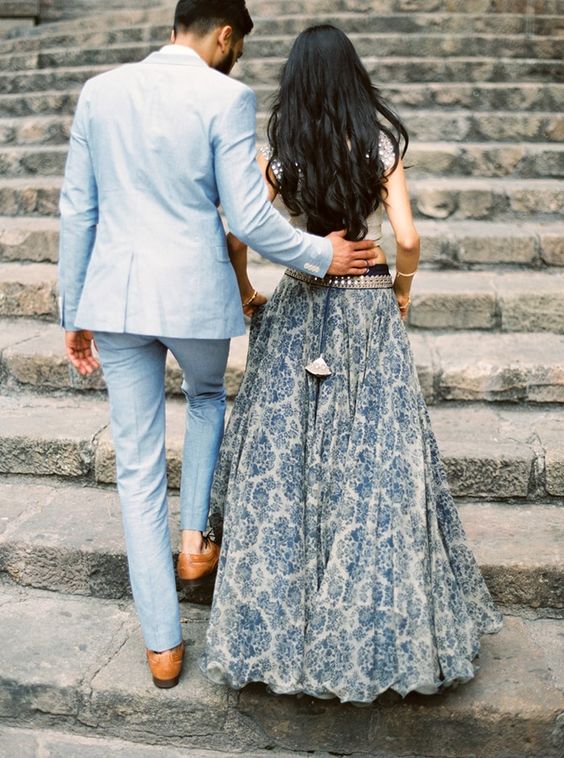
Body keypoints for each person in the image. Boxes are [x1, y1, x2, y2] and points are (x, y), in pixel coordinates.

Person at [58, 2, 379, 690]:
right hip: (194, 299)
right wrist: (322, 254)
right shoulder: (226, 97)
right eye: (239, 47)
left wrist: (72, 306)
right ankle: (195, 543)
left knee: (137, 469)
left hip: (114, 298)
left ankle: (163, 646)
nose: (238, 59)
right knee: (206, 396)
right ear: (226, 34)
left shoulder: (100, 93)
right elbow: (250, 216)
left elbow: (77, 207)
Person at [200, 25, 503, 703]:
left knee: (289, 456)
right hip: (367, 307)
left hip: (303, 301)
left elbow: (233, 232)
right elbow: (408, 237)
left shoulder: (281, 153)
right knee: (374, 458)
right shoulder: (380, 144)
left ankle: (279, 621)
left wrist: (250, 291)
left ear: (298, 81)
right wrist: (400, 289)